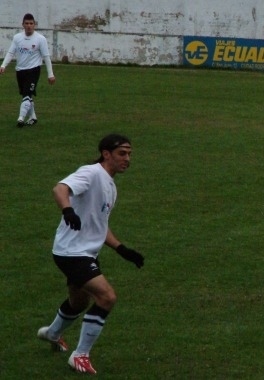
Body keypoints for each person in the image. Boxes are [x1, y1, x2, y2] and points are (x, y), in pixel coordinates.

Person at [37, 134, 144, 374]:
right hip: (72, 252)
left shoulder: (111, 186)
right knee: (106, 297)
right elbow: (60, 188)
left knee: (79, 301)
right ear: (106, 154)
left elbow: (99, 225)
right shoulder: (92, 173)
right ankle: (80, 355)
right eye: (122, 153)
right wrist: (67, 210)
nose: (127, 159)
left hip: (85, 252)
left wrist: (121, 249)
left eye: (129, 154)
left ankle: (52, 333)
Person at [0, 13, 55, 127]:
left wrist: (50, 74)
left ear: (34, 25)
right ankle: (33, 118)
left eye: (31, 23)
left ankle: (20, 118)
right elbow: (11, 52)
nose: (29, 26)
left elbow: (46, 57)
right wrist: (3, 65)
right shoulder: (17, 38)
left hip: (34, 71)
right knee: (26, 96)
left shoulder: (40, 39)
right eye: (27, 23)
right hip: (20, 71)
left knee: (27, 93)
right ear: (23, 25)